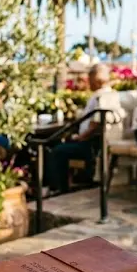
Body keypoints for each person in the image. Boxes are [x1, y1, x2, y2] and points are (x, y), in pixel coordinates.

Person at [44, 63, 124, 194]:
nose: (88, 83)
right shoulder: (110, 94)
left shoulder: (101, 97)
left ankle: (58, 188)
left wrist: (80, 137)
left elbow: (95, 124)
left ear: (96, 80)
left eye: (90, 79)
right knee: (58, 146)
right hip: (94, 143)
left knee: (57, 151)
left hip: (90, 144)